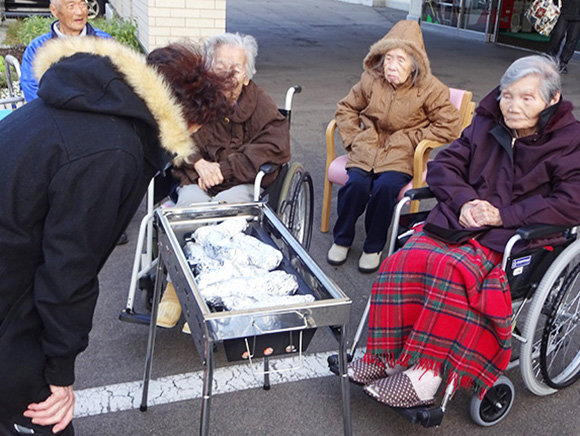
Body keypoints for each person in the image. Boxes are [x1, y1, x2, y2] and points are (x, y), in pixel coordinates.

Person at [0, 37, 232, 435]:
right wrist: (58, 372)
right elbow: (69, 270)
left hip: (13, 272)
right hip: (11, 301)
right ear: (182, 116)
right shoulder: (112, 151)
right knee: (45, 419)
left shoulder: (87, 98)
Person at [348, 55, 580, 408]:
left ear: (552, 100)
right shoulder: (486, 123)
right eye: (506, 95)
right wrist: (466, 202)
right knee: (406, 258)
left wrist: (504, 215)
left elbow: (571, 201)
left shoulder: (569, 141)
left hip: (518, 237)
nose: (512, 106)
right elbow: (444, 166)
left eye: (526, 98)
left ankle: (427, 374)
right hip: (462, 223)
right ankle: (389, 355)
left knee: (454, 272)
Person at [155, 32, 291, 330]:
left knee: (228, 217)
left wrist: (225, 169)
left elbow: (275, 145)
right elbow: (173, 134)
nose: (229, 73)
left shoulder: (260, 102)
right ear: (207, 68)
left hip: (239, 180)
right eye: (221, 65)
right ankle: (176, 288)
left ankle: (209, 296)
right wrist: (200, 164)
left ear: (247, 75)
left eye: (237, 67)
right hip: (196, 178)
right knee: (189, 213)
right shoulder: (195, 98)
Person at [327, 20, 461, 274]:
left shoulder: (430, 89)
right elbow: (346, 108)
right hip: (366, 148)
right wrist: (354, 138)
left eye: (400, 60)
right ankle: (342, 239)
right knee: (355, 185)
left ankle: (373, 246)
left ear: (414, 64)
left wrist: (412, 138)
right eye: (388, 58)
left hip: (401, 154)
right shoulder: (371, 80)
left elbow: (450, 125)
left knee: (385, 188)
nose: (392, 66)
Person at [20, 0, 112, 102]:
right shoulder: (37, 48)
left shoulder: (104, 42)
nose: (79, 12)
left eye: (82, 4)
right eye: (71, 6)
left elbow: (116, 86)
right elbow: (32, 91)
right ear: (54, 11)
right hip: (54, 115)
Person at [546, 0, 580, 74]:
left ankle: (563, 62)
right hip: (563, 9)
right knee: (558, 34)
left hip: (578, 14)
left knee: (572, 38)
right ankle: (550, 57)